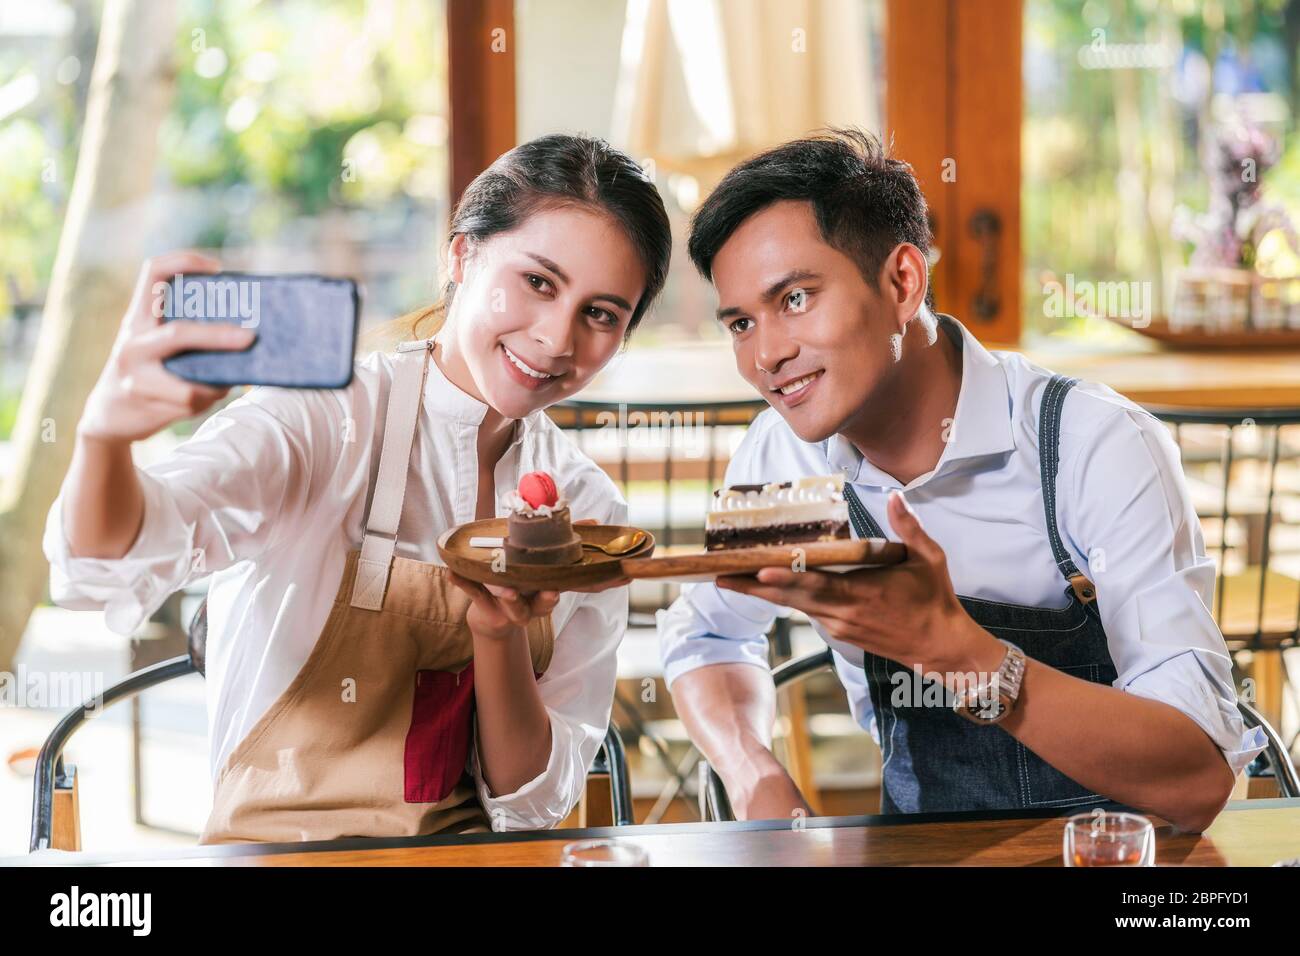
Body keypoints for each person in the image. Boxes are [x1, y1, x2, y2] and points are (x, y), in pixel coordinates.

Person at [45, 133, 671, 843]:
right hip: (276, 858)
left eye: (600, 314)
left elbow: (529, 803)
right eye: (537, 282)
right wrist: (104, 438)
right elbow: (107, 561)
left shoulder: (587, 511)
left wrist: (497, 634)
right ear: (462, 255)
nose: (559, 338)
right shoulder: (321, 419)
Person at [657, 128, 1266, 831]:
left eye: (795, 299)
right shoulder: (784, 454)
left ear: (902, 282)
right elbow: (706, 636)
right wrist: (755, 776)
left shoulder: (1090, 445)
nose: (766, 355)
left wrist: (956, 652)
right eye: (740, 322)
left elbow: (1196, 781)